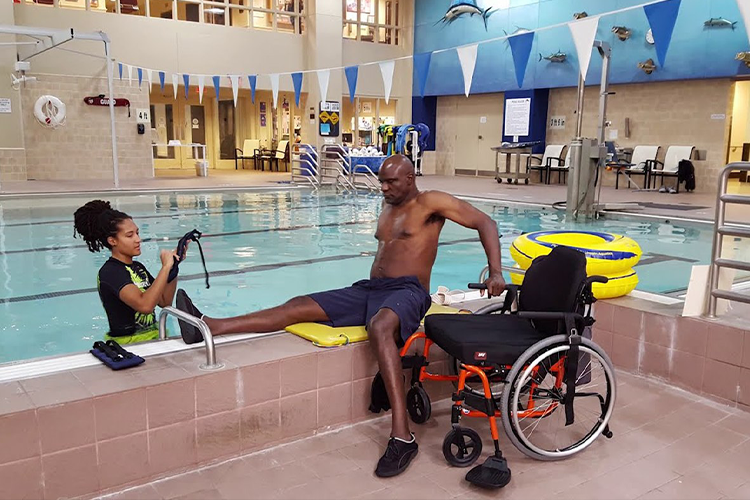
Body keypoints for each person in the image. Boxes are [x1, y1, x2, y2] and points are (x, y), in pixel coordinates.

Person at [174, 154, 505, 477]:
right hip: (371, 289)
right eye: (381, 182)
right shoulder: (389, 206)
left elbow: (484, 222)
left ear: (410, 178)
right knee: (297, 305)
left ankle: (402, 436)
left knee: (380, 326)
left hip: (409, 292)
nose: (384, 189)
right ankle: (210, 325)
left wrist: (495, 272)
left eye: (391, 182)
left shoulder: (431, 202)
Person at [73, 200, 182, 345]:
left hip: (153, 337)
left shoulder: (138, 267)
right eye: (130, 236)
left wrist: (173, 266)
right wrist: (165, 267)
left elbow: (164, 301)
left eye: (137, 233)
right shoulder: (110, 272)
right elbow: (145, 306)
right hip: (128, 345)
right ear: (112, 241)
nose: (138, 239)